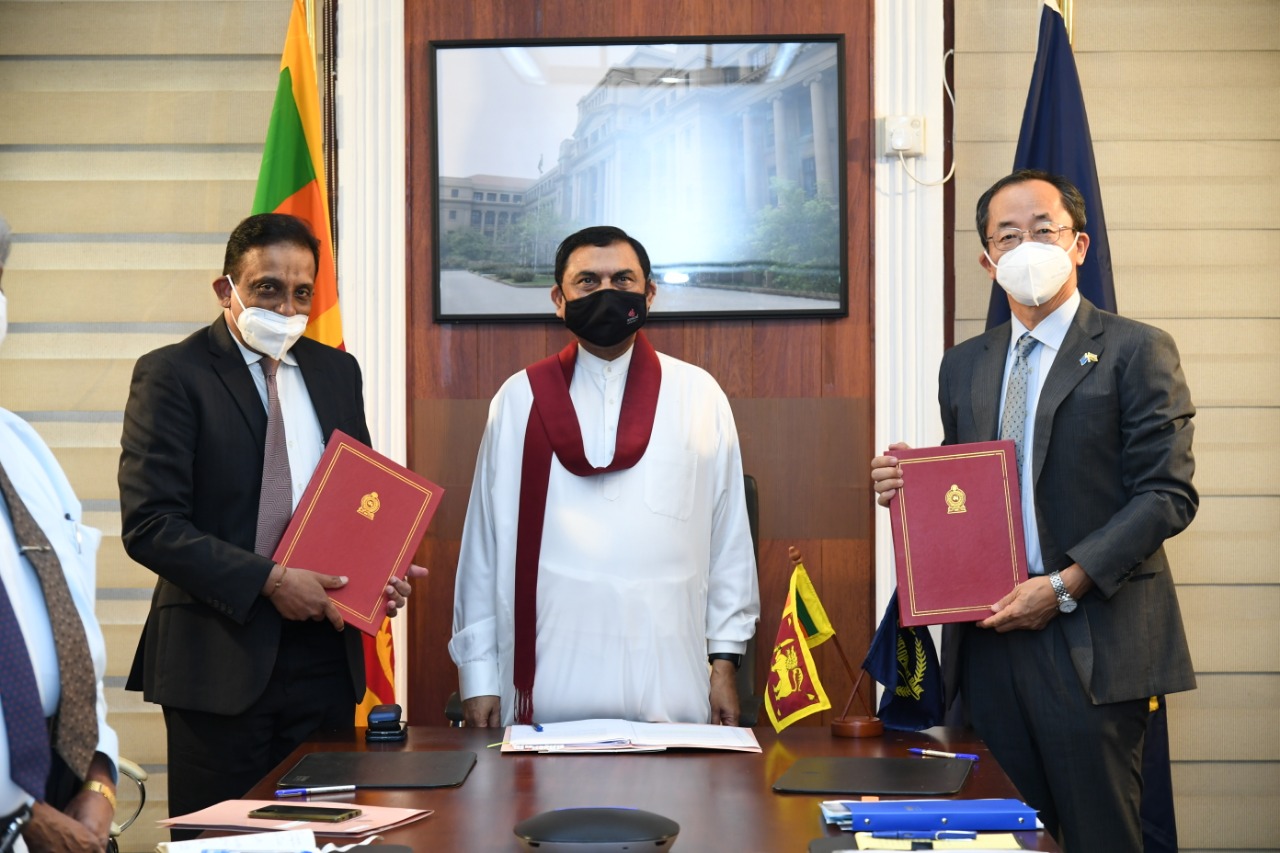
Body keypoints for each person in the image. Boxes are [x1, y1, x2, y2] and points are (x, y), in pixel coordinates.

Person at [871, 170, 1196, 851]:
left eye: (1044, 230)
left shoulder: (1137, 350)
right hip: (988, 641)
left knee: (1100, 835)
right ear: (988, 260)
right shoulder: (963, 364)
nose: (1027, 247)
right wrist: (910, 481)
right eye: (1008, 236)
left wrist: (1063, 585)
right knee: (998, 837)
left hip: (1091, 638)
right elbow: (973, 482)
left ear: (1079, 244)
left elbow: (1167, 494)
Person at [118, 213, 424, 820]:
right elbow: (151, 525)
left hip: (325, 657)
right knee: (225, 840)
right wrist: (272, 581)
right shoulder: (173, 373)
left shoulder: (338, 371)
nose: (286, 307)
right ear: (225, 289)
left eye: (302, 292)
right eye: (268, 288)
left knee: (324, 834)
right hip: (218, 657)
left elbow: (357, 501)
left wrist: (377, 572)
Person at [450, 225, 759, 728]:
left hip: (670, 683)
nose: (607, 293)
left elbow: (729, 541)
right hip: (543, 691)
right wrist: (479, 674)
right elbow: (483, 546)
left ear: (649, 293)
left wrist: (725, 663)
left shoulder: (699, 396)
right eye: (588, 282)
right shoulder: (519, 399)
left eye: (623, 280)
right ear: (559, 299)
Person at [0, 213, 119, 853]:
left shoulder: (23, 447)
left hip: (65, 789)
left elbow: (75, 634)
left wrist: (98, 780)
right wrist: (21, 815)